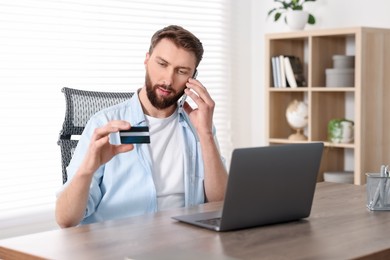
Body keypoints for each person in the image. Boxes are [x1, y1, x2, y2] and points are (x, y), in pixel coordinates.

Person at [55, 25, 228, 228]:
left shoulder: (198, 125)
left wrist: (206, 133)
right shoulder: (105, 124)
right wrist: (87, 169)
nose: (168, 80)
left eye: (181, 71)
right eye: (162, 64)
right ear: (147, 59)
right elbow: (65, 219)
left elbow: (220, 203)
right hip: (120, 246)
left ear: (193, 78)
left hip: (185, 242)